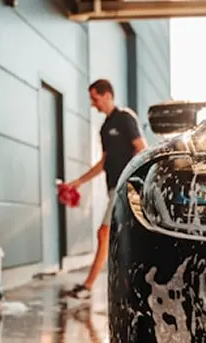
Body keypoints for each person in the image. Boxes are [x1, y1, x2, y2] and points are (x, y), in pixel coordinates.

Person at [62, 79, 147, 301]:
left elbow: (142, 149)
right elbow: (104, 162)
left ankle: (89, 286)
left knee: (104, 233)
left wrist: (133, 183)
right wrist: (78, 182)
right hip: (113, 189)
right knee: (119, 237)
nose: (93, 104)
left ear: (107, 95)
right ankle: (125, 286)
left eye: (95, 98)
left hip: (125, 188)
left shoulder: (126, 118)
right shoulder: (105, 128)